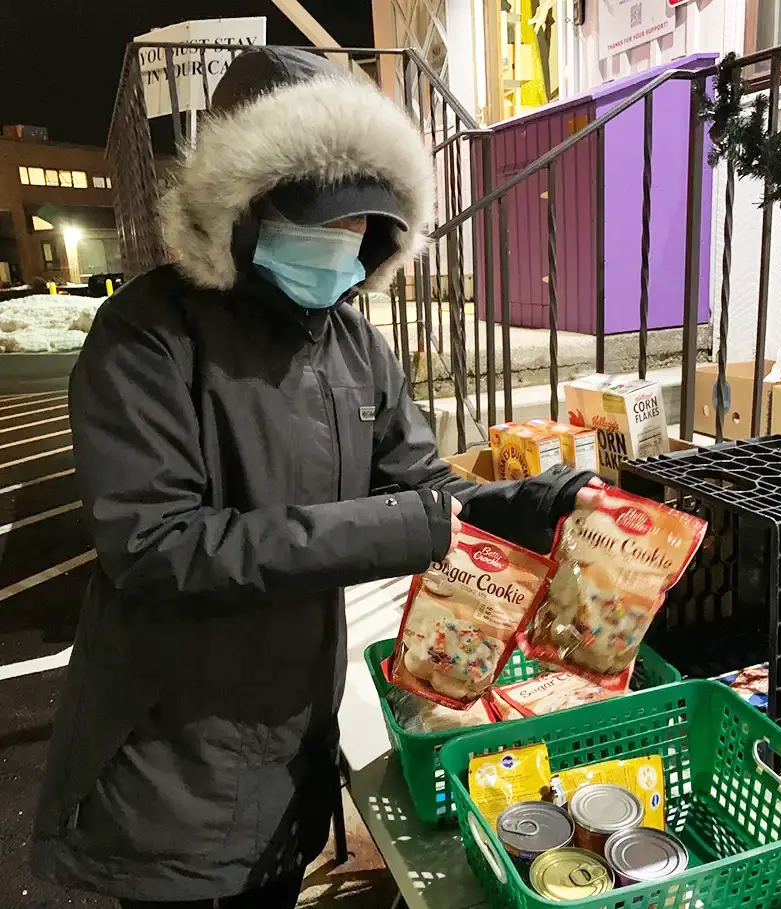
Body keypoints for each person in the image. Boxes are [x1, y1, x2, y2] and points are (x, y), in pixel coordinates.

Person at [32, 47, 595, 908]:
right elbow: (156, 544)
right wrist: (412, 525)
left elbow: (423, 488)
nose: (338, 246)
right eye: (315, 218)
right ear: (243, 209)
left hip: (293, 728)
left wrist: (538, 504)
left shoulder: (353, 346)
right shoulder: (147, 335)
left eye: (356, 226)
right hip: (174, 753)